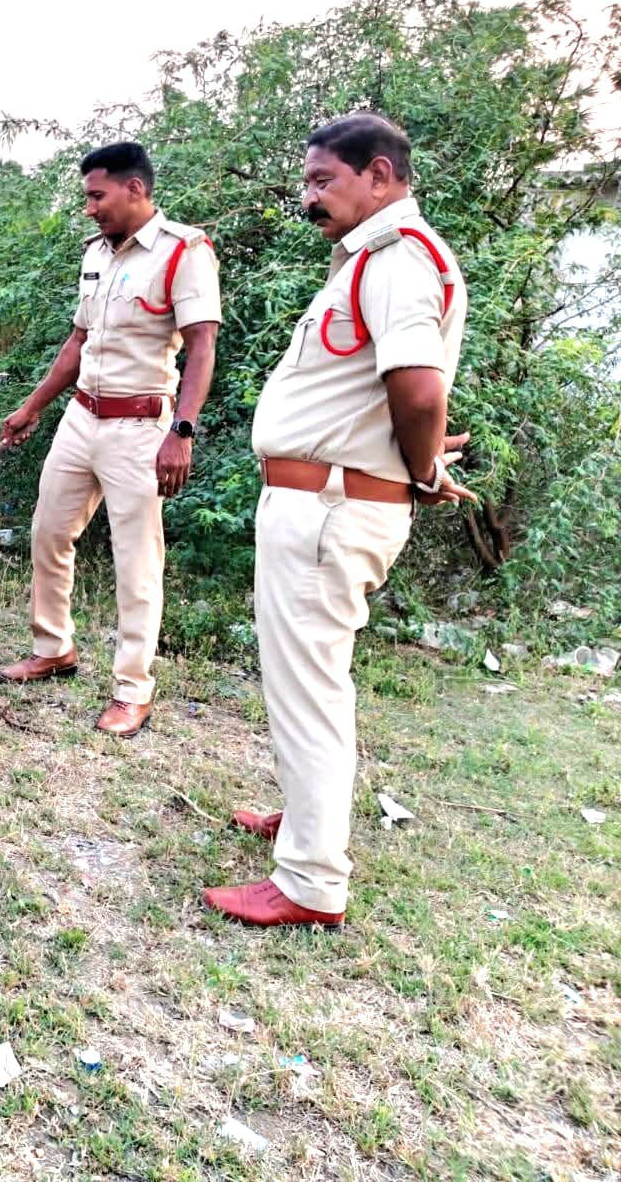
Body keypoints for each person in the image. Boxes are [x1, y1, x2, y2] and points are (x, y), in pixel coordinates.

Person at [206, 113, 476, 930]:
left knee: (311, 688)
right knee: (301, 683)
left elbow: (420, 390)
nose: (308, 196)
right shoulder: (369, 259)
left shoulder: (401, 260)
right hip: (319, 503)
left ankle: (311, 882)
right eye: (308, 180)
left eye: (324, 180)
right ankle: (305, 824)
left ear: (382, 175)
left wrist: (424, 469)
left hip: (331, 510)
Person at [0, 142, 221, 737]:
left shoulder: (183, 252)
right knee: (48, 532)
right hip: (81, 418)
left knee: (136, 560)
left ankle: (131, 689)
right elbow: (78, 342)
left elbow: (202, 348)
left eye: (98, 196)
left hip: (142, 426)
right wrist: (31, 408)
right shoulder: (95, 254)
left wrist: (182, 433)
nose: (90, 208)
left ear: (135, 189)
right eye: (87, 197)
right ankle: (54, 648)